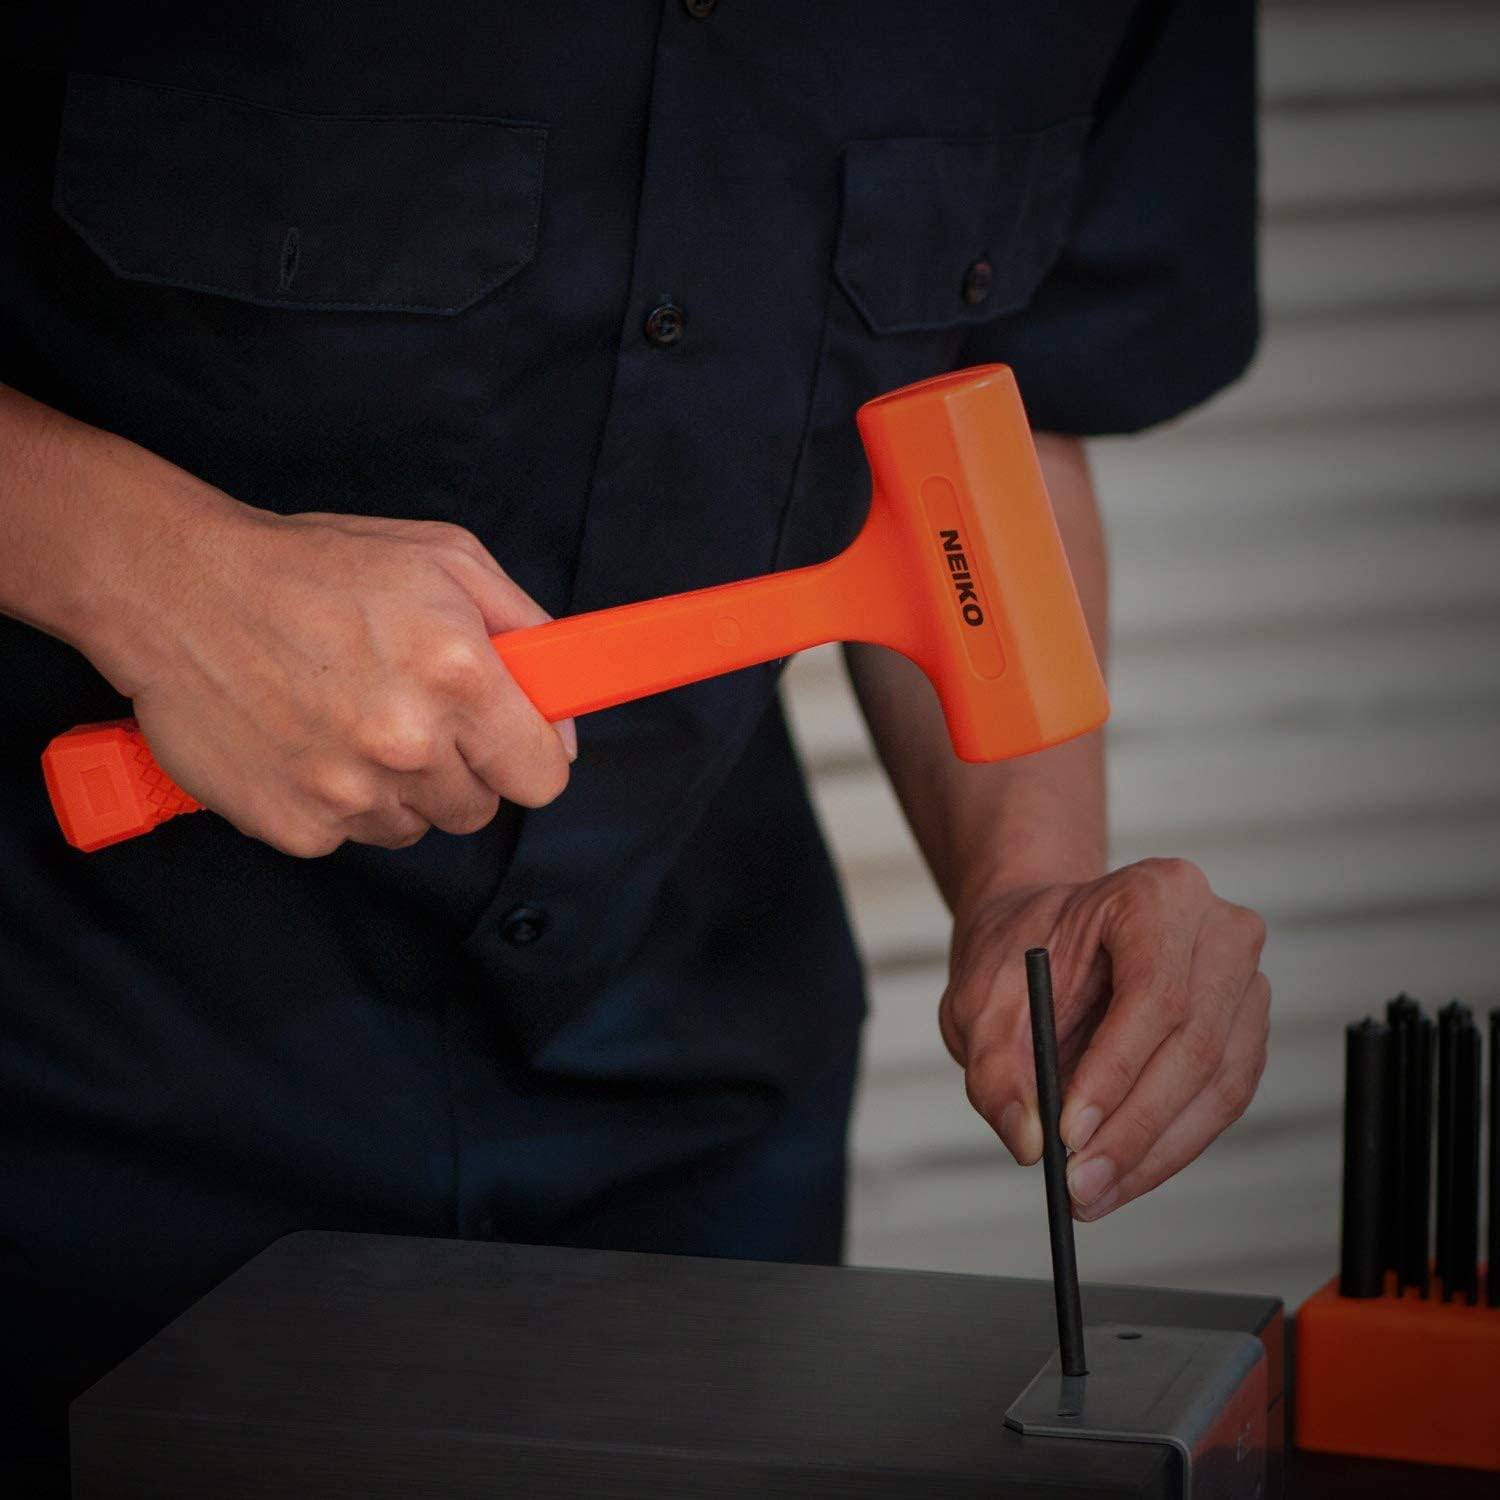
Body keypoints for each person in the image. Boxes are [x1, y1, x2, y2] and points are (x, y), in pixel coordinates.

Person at [1, 1, 1268, 1489]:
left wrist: (1030, 884)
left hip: (698, 1109)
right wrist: (141, 570)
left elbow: (993, 433)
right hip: (72, 1080)